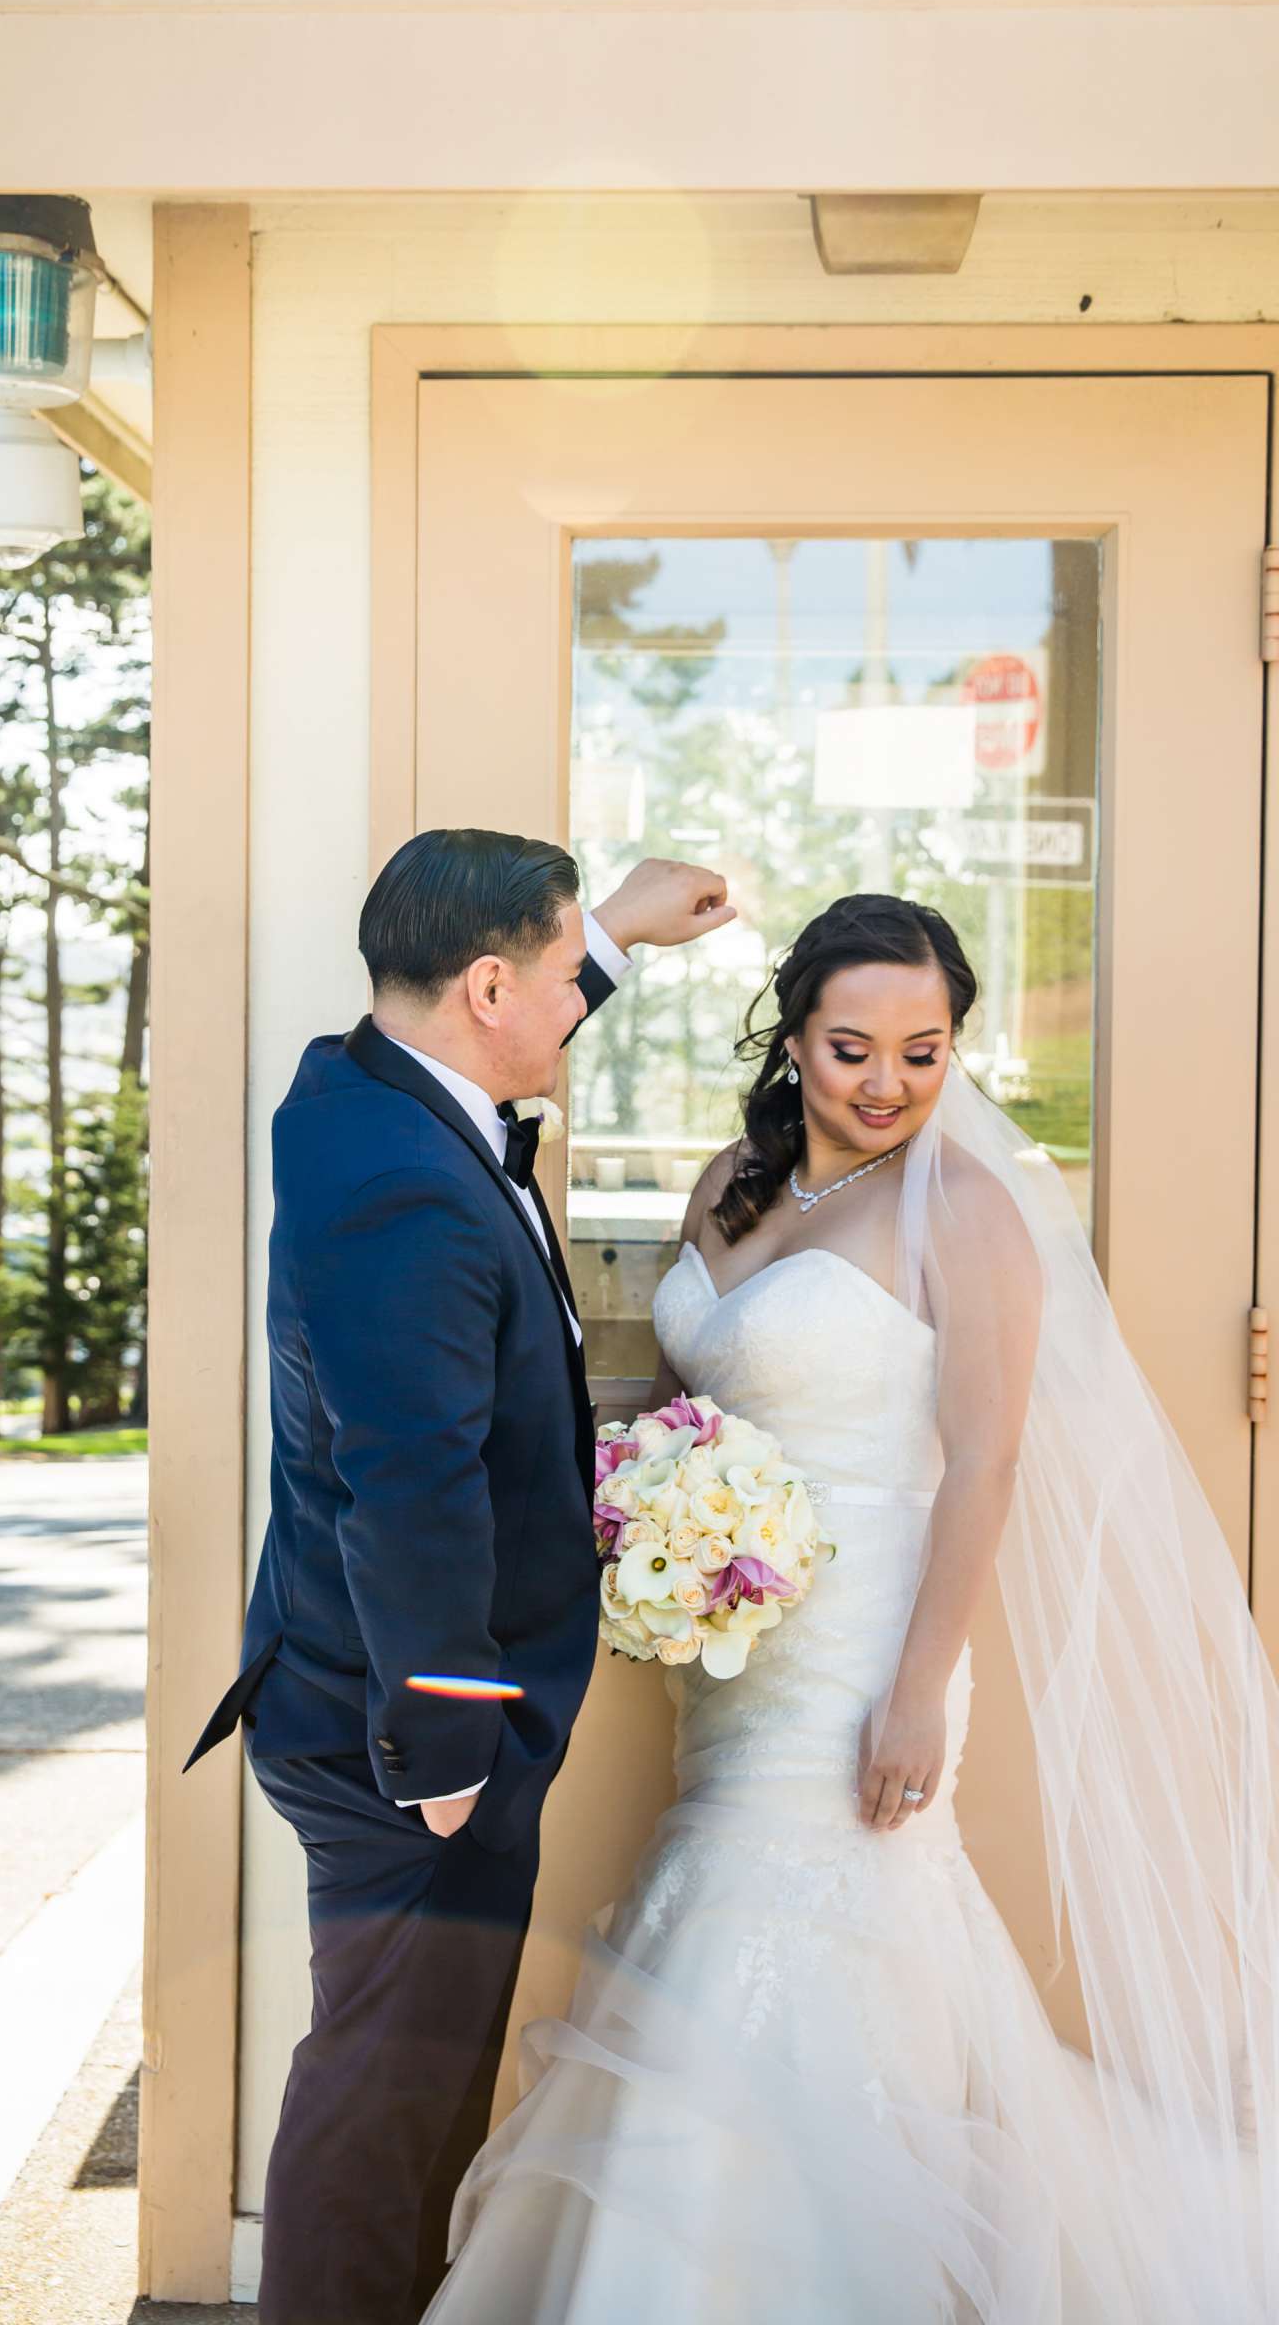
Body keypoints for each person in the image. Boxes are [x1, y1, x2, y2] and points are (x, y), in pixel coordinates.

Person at [424, 891, 1279, 2324]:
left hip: (873, 1651)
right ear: (795, 1036)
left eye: (923, 1052)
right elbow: (690, 1403)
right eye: (852, 1048)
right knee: (739, 1916)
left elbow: (988, 1461)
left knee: (791, 1932)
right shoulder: (729, 1186)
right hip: (737, 1652)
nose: (886, 1083)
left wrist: (917, 1690)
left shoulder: (973, 1211)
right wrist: (657, 1522)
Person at [181, 827, 734, 2325]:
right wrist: (447, 1748)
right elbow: (406, 1478)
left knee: (415, 2104)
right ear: (488, 984)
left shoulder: (365, 1085)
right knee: (377, 2123)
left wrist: (609, 929)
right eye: (564, 980)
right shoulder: (407, 1184)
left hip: (391, 1710)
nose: (575, 1005)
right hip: (406, 1732)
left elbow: (513, 1006)